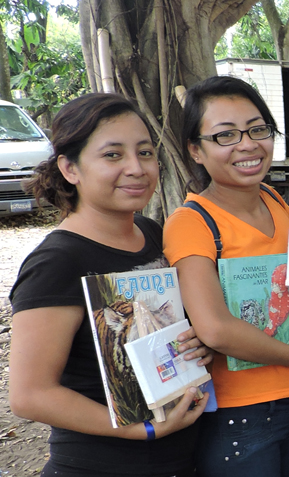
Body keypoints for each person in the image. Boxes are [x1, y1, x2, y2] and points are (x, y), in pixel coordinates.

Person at [8, 93, 211, 476]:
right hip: (99, 466)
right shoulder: (57, 262)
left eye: (146, 152)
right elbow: (30, 395)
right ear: (70, 168)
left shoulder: (152, 234)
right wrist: (143, 430)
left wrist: (196, 346)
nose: (136, 168)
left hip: (179, 459)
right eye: (113, 155)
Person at [164, 76, 289, 477]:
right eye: (225, 135)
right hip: (236, 414)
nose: (247, 145)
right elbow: (214, 328)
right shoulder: (190, 223)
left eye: (257, 128)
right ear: (196, 149)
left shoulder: (275, 201)